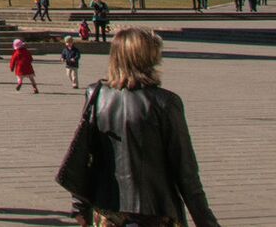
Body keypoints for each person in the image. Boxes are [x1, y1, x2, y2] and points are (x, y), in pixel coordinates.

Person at [70, 27, 221, 227]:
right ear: (146, 58)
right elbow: (186, 171)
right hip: (153, 212)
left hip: (107, 210)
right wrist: (207, 222)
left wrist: (79, 205)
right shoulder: (165, 102)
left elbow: (86, 156)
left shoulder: (96, 96)